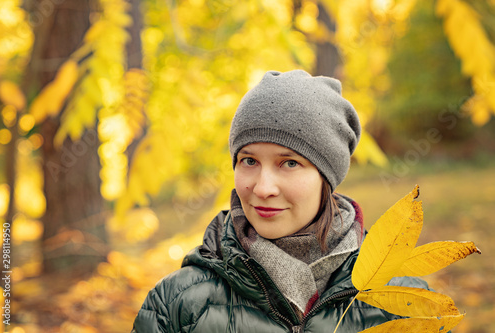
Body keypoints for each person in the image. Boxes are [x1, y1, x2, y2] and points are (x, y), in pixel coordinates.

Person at [131, 70, 430, 332]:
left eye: (289, 163)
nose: (263, 188)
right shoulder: (176, 304)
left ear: (326, 177)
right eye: (249, 160)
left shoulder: (403, 300)